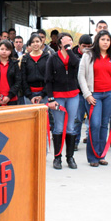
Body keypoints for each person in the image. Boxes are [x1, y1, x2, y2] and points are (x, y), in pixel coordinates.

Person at [78, 30, 111, 167]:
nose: (105, 42)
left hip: (109, 94)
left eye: (108, 40)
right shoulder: (88, 55)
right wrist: (87, 94)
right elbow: (81, 76)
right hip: (94, 95)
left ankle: (101, 155)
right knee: (95, 125)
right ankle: (92, 157)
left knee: (104, 125)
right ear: (97, 40)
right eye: (103, 39)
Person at [45, 33, 80, 170]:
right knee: (59, 126)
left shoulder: (73, 56)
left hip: (73, 95)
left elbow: (76, 65)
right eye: (65, 41)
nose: (68, 42)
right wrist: (51, 98)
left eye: (70, 41)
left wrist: (69, 50)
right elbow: (48, 79)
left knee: (71, 126)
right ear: (59, 43)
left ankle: (70, 157)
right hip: (58, 95)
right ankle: (57, 157)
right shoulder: (52, 58)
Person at [72, 34, 93, 150]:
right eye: (84, 46)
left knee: (92, 118)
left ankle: (91, 140)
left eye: (89, 46)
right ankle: (74, 141)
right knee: (77, 118)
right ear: (79, 45)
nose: (86, 49)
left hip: (90, 92)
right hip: (78, 92)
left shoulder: (94, 55)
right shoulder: (73, 56)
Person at [21, 33, 50, 105]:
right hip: (29, 94)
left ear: (41, 42)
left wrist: (42, 94)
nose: (35, 44)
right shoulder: (25, 58)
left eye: (37, 41)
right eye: (33, 42)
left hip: (44, 94)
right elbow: (23, 78)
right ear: (30, 44)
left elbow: (50, 76)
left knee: (44, 115)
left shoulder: (47, 57)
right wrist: (29, 96)